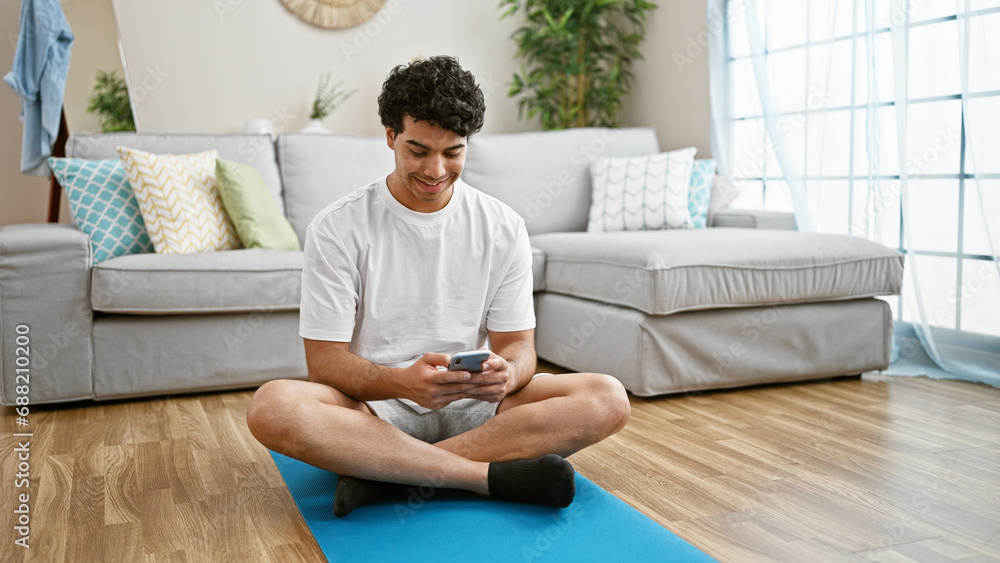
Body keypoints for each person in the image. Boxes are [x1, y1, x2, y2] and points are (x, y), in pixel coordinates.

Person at [246, 56, 631, 518]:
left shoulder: (503, 226)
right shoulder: (337, 227)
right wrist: (400, 382)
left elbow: (519, 348)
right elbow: (324, 363)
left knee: (608, 397)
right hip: (376, 410)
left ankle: (387, 475)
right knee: (272, 407)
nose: (435, 170)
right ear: (390, 136)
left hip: (478, 408)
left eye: (453, 152)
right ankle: (478, 476)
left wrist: (508, 374)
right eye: (418, 150)